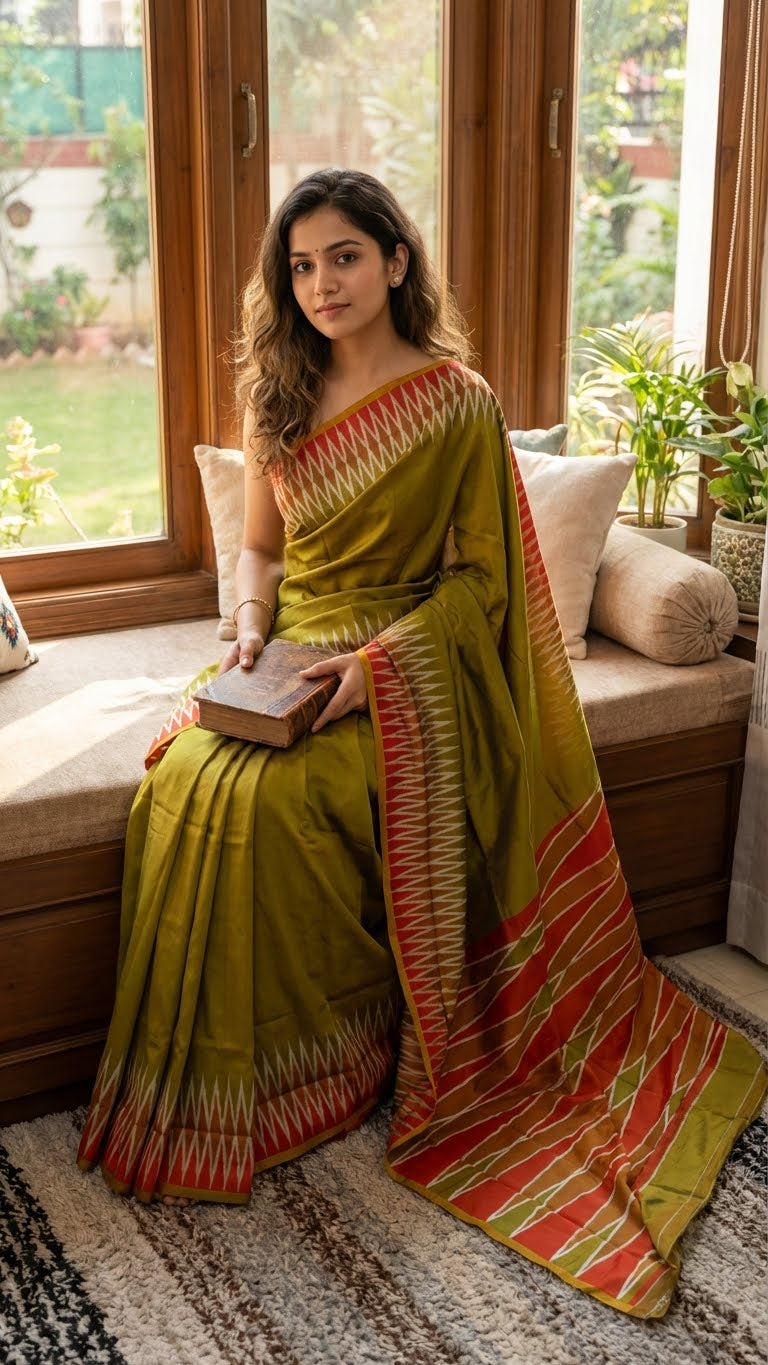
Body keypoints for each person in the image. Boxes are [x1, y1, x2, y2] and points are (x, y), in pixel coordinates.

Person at [78, 168, 766, 1318]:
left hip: (406, 673)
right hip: (284, 655)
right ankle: (209, 1090)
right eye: (300, 266)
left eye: (343, 256)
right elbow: (258, 552)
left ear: (396, 260)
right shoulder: (280, 389)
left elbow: (482, 585)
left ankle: (325, 1071)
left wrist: (373, 675)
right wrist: (250, 632)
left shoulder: (456, 401)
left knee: (268, 807)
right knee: (184, 785)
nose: (320, 285)